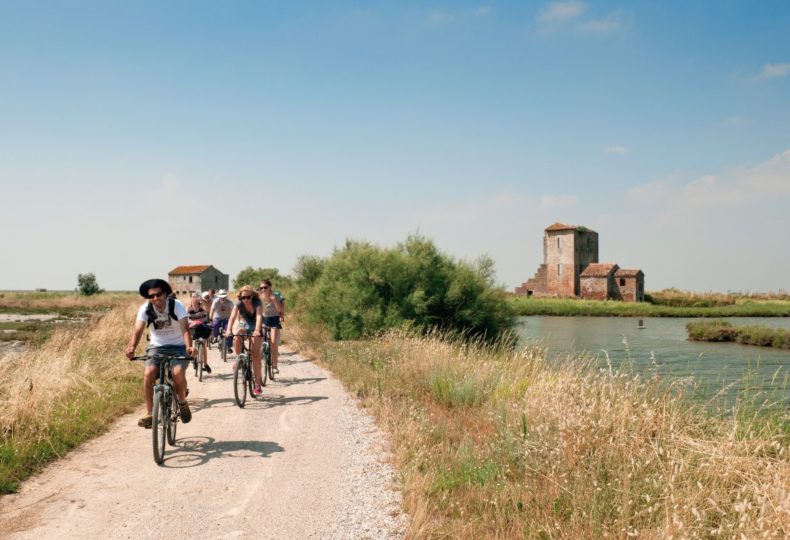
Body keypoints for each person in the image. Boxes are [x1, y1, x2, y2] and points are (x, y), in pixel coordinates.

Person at [125, 279, 194, 428]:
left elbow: (185, 329)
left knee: (177, 373)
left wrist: (189, 347)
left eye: (159, 294)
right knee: (149, 373)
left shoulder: (176, 306)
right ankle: (150, 414)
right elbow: (138, 330)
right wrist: (131, 348)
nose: (156, 298)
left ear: (165, 293)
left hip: (179, 346)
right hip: (157, 347)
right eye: (152, 296)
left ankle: (182, 402)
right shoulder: (145, 309)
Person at [226, 285, 264, 395]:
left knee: (255, 355)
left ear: (252, 296)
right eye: (243, 298)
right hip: (244, 323)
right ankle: (238, 358)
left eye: (248, 297)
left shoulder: (257, 303)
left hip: (255, 324)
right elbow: (232, 317)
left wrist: (257, 330)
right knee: (238, 333)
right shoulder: (239, 303)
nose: (246, 300)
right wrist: (228, 330)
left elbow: (259, 317)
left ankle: (257, 384)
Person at [258, 280, 283, 373]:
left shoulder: (275, 296)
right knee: (259, 339)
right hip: (264, 319)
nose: (263, 289)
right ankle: (263, 353)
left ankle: (275, 366)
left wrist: (274, 300)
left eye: (265, 287)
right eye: (261, 288)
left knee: (273, 343)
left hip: (274, 319)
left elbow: (280, 310)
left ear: (270, 287)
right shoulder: (259, 298)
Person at [187, 293, 212, 374]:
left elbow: (207, 312)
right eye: (193, 296)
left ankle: (205, 364)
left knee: (203, 344)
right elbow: (186, 319)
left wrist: (202, 301)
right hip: (193, 328)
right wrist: (193, 322)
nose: (195, 298)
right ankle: (194, 359)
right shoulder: (188, 308)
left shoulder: (202, 307)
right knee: (192, 344)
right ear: (190, 298)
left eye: (196, 296)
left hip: (201, 326)